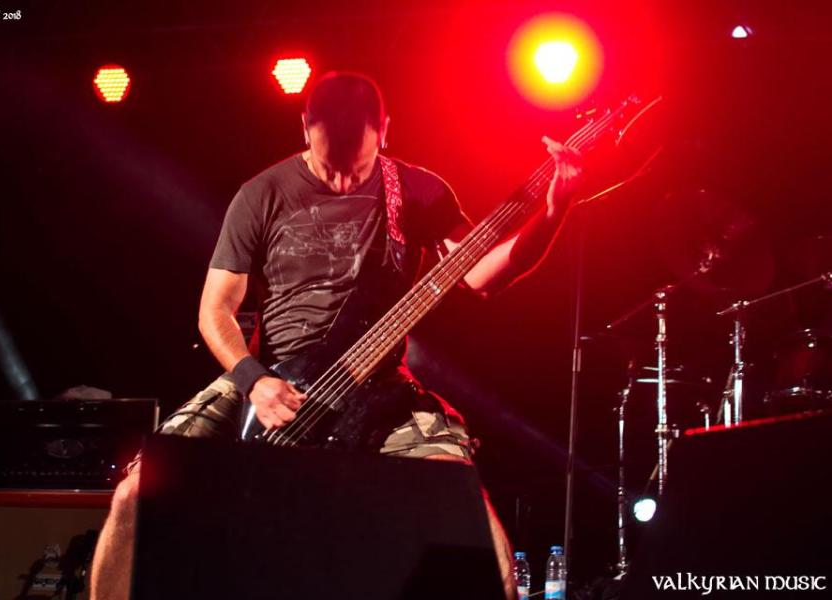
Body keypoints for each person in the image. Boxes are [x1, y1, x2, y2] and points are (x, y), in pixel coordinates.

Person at [90, 71, 582, 600]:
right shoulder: (262, 193)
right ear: (305, 128)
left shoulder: (417, 190)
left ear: (384, 131)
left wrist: (555, 210)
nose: (344, 181)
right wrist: (254, 380)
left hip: (377, 380)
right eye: (331, 166)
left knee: (460, 500)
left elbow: (482, 274)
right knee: (137, 492)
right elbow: (215, 310)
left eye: (356, 167)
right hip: (268, 380)